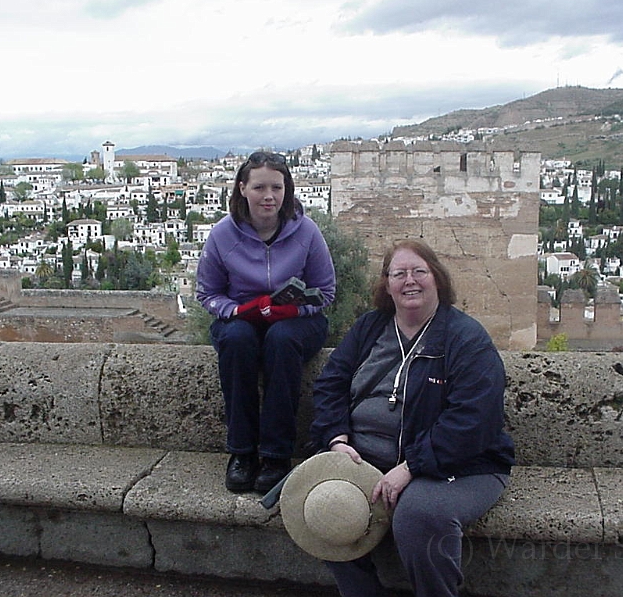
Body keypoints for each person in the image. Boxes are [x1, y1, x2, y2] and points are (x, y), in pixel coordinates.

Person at [309, 239, 514, 597]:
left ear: (437, 278)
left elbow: (473, 420)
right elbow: (331, 383)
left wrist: (411, 466)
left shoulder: (465, 339)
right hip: (365, 458)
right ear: (387, 284)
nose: (410, 281)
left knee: (420, 515)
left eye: (419, 271)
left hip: (459, 465)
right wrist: (336, 439)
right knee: (326, 502)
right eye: (399, 273)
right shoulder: (370, 328)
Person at [197, 151, 335, 494]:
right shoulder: (222, 235)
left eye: (277, 186)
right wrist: (239, 310)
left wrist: (290, 310)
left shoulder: (306, 232)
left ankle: (276, 455)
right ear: (242, 188)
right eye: (260, 187)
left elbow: (326, 292)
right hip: (242, 319)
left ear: (288, 189)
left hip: (297, 322)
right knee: (238, 341)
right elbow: (207, 294)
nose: (269, 196)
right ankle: (242, 453)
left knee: (282, 340)